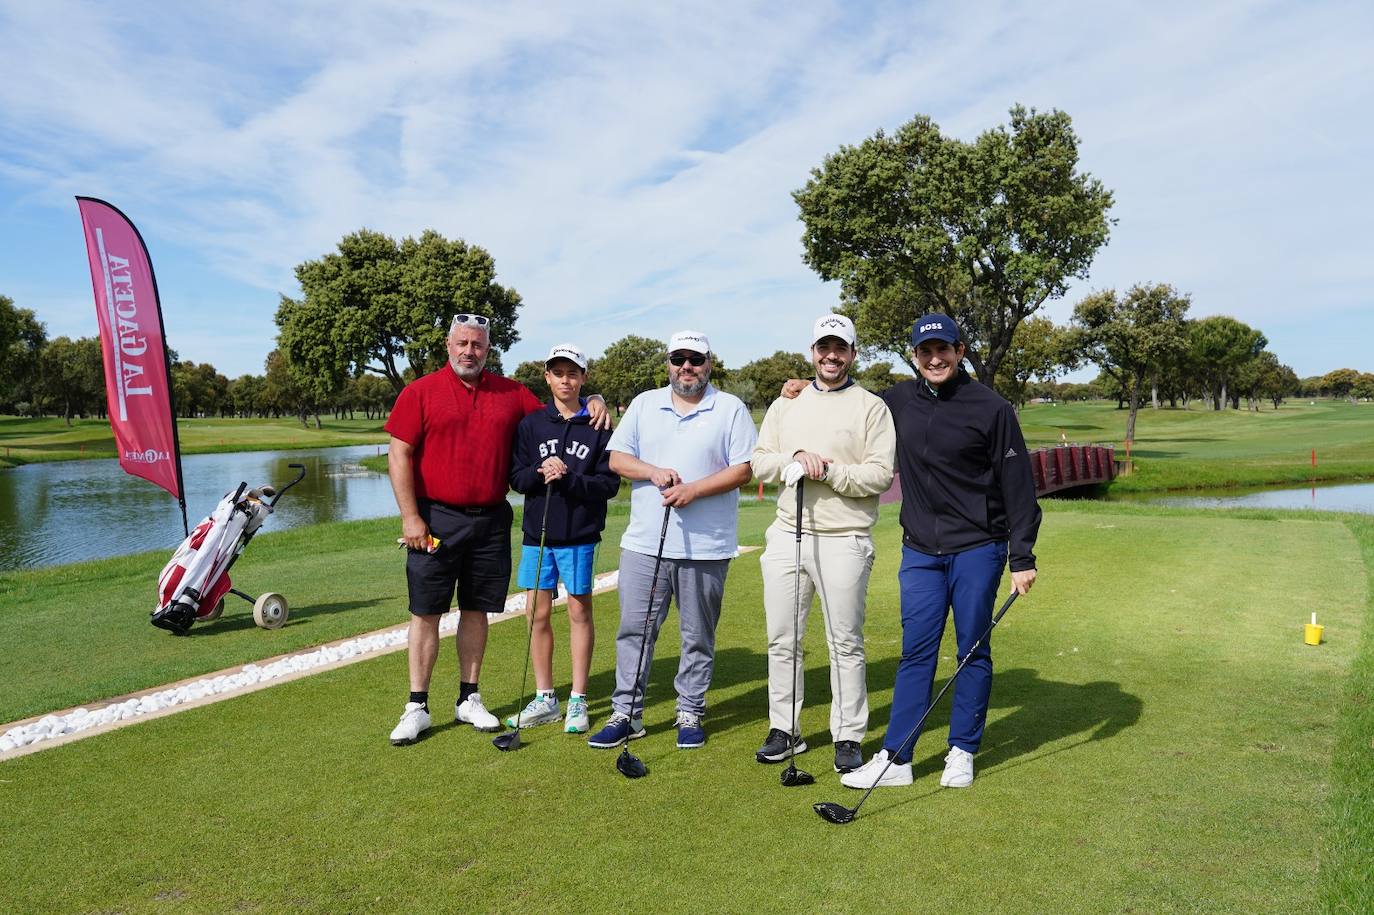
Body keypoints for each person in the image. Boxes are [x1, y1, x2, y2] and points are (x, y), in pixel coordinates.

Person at [837, 313, 1040, 790]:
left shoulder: (991, 408)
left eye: (943, 350)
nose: (935, 359)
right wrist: (800, 389)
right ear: (913, 356)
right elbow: (843, 404)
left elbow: (1018, 487)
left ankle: (962, 750)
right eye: (925, 352)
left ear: (960, 351)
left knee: (972, 648)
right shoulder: (895, 402)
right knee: (916, 652)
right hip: (921, 551)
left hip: (978, 548)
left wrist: (1023, 556)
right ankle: (896, 759)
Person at [385, 314, 608, 746]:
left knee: (475, 608)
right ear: (449, 345)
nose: (470, 351)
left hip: (490, 519)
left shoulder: (509, 393)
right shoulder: (420, 392)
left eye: (479, 345)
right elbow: (399, 454)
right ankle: (417, 705)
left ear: (488, 350)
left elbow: (559, 408)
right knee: (427, 611)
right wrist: (411, 517)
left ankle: (469, 698)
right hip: (434, 518)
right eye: (463, 343)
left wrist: (595, 397)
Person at [586, 331, 756, 750]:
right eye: (678, 358)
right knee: (635, 630)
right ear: (668, 363)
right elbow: (617, 458)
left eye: (695, 359)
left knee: (697, 634)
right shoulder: (645, 404)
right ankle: (627, 713)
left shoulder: (730, 408)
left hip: (707, 546)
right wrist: (652, 471)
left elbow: (744, 470)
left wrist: (693, 490)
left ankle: (690, 710)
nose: (686, 366)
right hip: (645, 543)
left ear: (708, 364)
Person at [751, 314, 895, 774]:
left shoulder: (871, 407)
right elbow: (759, 463)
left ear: (853, 354)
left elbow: (879, 475)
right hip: (786, 534)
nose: (831, 355)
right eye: (823, 347)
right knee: (782, 640)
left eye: (840, 348)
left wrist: (829, 471)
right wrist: (793, 458)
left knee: (845, 642)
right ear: (812, 352)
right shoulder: (784, 406)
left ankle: (848, 734)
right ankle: (784, 728)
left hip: (845, 537)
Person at [505, 344, 620, 734]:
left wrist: (570, 477)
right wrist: (540, 470)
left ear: (583, 378)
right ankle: (545, 697)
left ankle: (578, 700)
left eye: (573, 373)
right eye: (558, 373)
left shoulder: (599, 425)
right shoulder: (532, 425)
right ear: (548, 377)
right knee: (535, 614)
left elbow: (609, 484)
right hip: (536, 537)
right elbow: (516, 478)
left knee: (578, 612)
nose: (565, 379)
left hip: (580, 535)